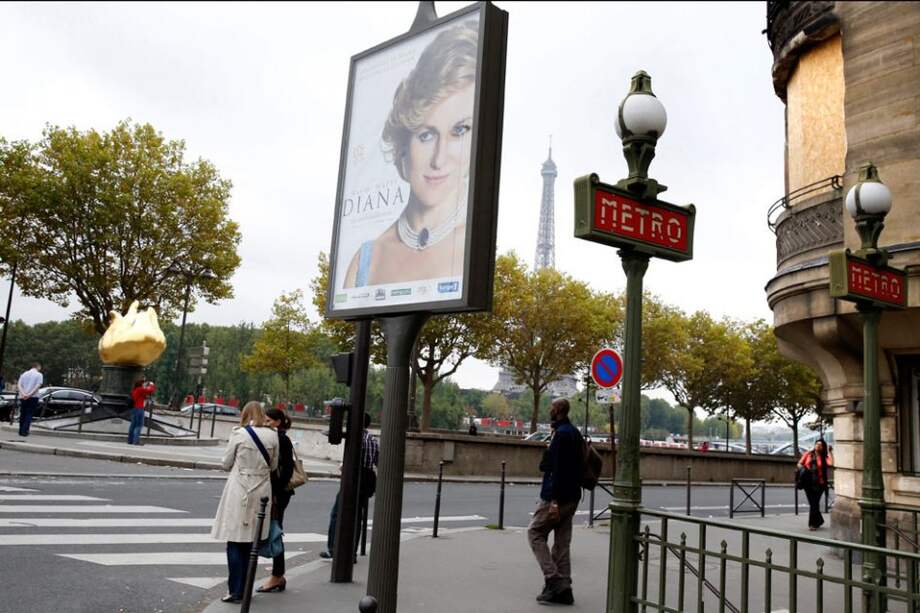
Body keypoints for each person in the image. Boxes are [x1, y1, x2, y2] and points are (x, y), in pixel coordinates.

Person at [343, 19, 478, 289]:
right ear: (403, 145)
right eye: (426, 134)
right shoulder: (365, 261)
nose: (439, 159)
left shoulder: (471, 250)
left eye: (459, 130)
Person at [211, 401, 279, 604]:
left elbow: (225, 463)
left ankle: (235, 590)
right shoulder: (272, 435)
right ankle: (246, 588)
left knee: (234, 540)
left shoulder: (239, 434)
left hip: (239, 487)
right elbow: (273, 465)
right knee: (252, 543)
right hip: (262, 489)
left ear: (245, 414)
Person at [528, 398, 584, 606]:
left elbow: (555, 469)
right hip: (573, 496)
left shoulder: (560, 435)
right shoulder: (574, 432)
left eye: (552, 406)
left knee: (535, 533)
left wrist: (553, 501)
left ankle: (554, 580)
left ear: (558, 410)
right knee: (562, 542)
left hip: (558, 496)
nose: (549, 409)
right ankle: (565, 590)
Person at [320, 412, 379, 560]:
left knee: (337, 513)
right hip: (367, 481)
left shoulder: (356, 438)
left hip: (353, 479)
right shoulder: (372, 439)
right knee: (357, 516)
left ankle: (334, 548)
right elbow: (377, 461)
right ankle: (352, 551)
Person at [257, 408, 295, 594]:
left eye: (269, 421)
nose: (266, 424)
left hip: (277, 493)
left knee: (275, 531)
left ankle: (277, 575)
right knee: (274, 530)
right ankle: (277, 575)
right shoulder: (277, 437)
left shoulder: (280, 439)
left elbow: (287, 469)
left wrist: (275, 492)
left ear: (278, 422)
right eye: (264, 421)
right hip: (275, 492)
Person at [798, 438, 834, 530]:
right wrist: (805, 468)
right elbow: (799, 464)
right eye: (817, 444)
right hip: (808, 483)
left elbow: (831, 463)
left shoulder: (824, 457)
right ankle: (819, 521)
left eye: (821, 445)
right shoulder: (808, 454)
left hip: (820, 484)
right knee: (813, 504)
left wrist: (830, 452)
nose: (818, 445)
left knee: (814, 503)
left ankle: (812, 524)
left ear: (823, 448)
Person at [16, 362, 43, 437]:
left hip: (23, 396)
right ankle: (25, 431)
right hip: (33, 397)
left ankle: (20, 430)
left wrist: (23, 394)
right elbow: (38, 386)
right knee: (29, 414)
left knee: (23, 414)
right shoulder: (39, 375)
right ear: (38, 367)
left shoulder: (24, 374)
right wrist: (29, 394)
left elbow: (19, 385)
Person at [127, 377, 155, 445]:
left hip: (133, 409)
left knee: (133, 425)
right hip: (139, 409)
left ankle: (130, 440)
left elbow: (144, 395)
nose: (144, 384)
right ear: (141, 384)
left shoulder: (135, 390)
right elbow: (150, 390)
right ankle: (136, 441)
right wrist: (151, 384)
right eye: (143, 383)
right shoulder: (140, 389)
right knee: (139, 425)